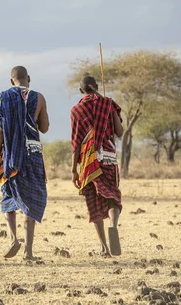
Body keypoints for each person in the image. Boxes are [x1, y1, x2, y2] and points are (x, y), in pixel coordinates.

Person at [0, 66, 49, 260]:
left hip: (10, 155)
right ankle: (28, 252)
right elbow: (45, 128)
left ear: (11, 81)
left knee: (9, 194)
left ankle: (14, 239)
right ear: (28, 79)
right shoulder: (39, 97)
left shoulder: (4, 97)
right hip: (32, 153)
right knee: (30, 199)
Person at [70, 75, 124, 256]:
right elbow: (120, 132)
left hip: (88, 162)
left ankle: (104, 247)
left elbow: (76, 143)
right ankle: (113, 225)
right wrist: (110, 110)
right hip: (108, 157)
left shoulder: (76, 110)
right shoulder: (109, 104)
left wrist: (73, 170)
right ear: (97, 87)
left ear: (81, 91)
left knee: (93, 203)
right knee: (112, 197)